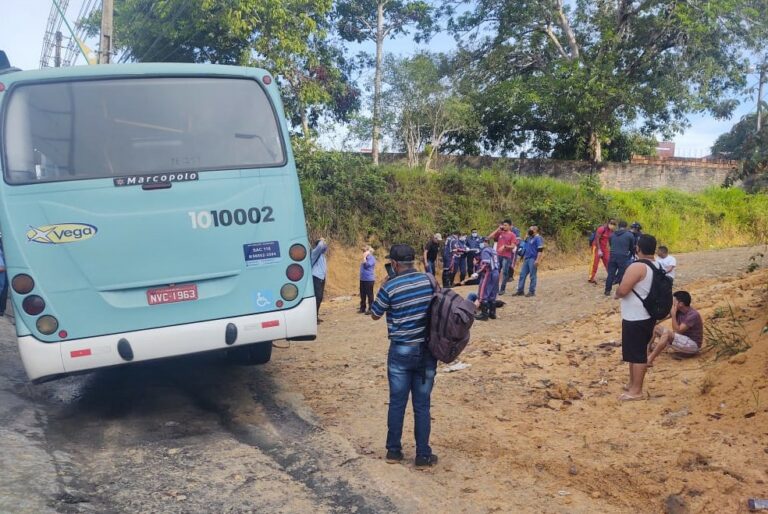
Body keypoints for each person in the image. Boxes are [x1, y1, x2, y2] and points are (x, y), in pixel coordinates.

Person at [370, 244, 439, 468]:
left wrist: (383, 286)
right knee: (422, 405)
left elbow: (374, 314)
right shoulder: (429, 280)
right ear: (414, 261)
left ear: (396, 264)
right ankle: (422, 455)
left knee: (397, 402)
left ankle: (393, 451)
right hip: (426, 351)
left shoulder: (390, 286)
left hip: (400, 351)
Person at [614, 234, 659, 401]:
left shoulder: (637, 267)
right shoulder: (657, 265)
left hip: (636, 317)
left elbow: (623, 289)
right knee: (634, 352)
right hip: (648, 315)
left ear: (637, 248)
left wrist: (616, 294)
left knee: (638, 353)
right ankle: (632, 384)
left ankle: (636, 391)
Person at [647, 291, 703, 366]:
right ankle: (647, 351)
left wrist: (673, 315)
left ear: (681, 304)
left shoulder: (693, 315)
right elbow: (658, 321)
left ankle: (650, 360)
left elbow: (678, 331)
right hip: (682, 341)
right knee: (656, 327)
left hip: (692, 345)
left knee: (667, 334)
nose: (672, 303)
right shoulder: (678, 311)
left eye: (674, 301)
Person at [605, 220, 635, 296]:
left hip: (612, 256)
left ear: (618, 226)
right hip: (623, 257)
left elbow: (611, 244)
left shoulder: (612, 235)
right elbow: (632, 247)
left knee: (610, 274)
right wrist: (631, 254)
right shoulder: (629, 235)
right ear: (626, 227)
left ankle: (607, 291)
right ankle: (621, 291)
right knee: (622, 274)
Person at [473, 237, 500, 321]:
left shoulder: (485, 251)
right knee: (492, 293)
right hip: (496, 272)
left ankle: (484, 315)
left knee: (483, 292)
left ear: (486, 242)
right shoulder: (493, 250)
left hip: (489, 272)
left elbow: (486, 264)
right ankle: (492, 313)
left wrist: (477, 272)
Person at [490, 219, 518, 295]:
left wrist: (505, 246)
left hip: (506, 256)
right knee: (496, 272)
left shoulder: (512, 235)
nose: (504, 227)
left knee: (505, 273)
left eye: (506, 225)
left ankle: (502, 289)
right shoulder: (500, 233)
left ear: (509, 226)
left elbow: (513, 246)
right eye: (503, 225)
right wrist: (497, 229)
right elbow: (490, 236)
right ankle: (495, 288)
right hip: (498, 255)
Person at [515, 226, 544, 297]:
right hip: (526, 258)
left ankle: (532, 291)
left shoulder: (538, 238)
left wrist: (537, 260)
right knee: (522, 275)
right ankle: (520, 290)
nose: (530, 230)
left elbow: (540, 250)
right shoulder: (529, 238)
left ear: (536, 230)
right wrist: (520, 257)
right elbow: (524, 247)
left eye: (532, 229)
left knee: (532, 275)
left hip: (533, 258)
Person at [588, 218, 616, 284]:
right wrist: (599, 250)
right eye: (611, 223)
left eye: (614, 224)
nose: (612, 225)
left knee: (608, 262)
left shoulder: (611, 231)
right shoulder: (601, 229)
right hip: (597, 247)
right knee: (595, 263)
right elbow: (597, 239)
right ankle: (591, 278)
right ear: (608, 222)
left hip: (604, 248)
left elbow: (610, 240)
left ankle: (611, 276)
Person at [310, 238, 328, 320]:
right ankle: (313, 317)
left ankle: (316, 316)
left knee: (319, 298)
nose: (324, 245)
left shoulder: (322, 255)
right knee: (317, 297)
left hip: (321, 278)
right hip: (316, 277)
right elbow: (321, 245)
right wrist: (322, 240)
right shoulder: (314, 253)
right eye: (324, 244)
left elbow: (324, 247)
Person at [359, 245, 376, 314]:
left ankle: (371, 309)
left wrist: (364, 258)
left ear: (368, 251)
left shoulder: (371, 258)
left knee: (370, 295)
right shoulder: (365, 258)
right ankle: (362, 308)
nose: (363, 252)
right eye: (363, 251)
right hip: (363, 279)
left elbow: (367, 265)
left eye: (365, 251)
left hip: (369, 279)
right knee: (362, 295)